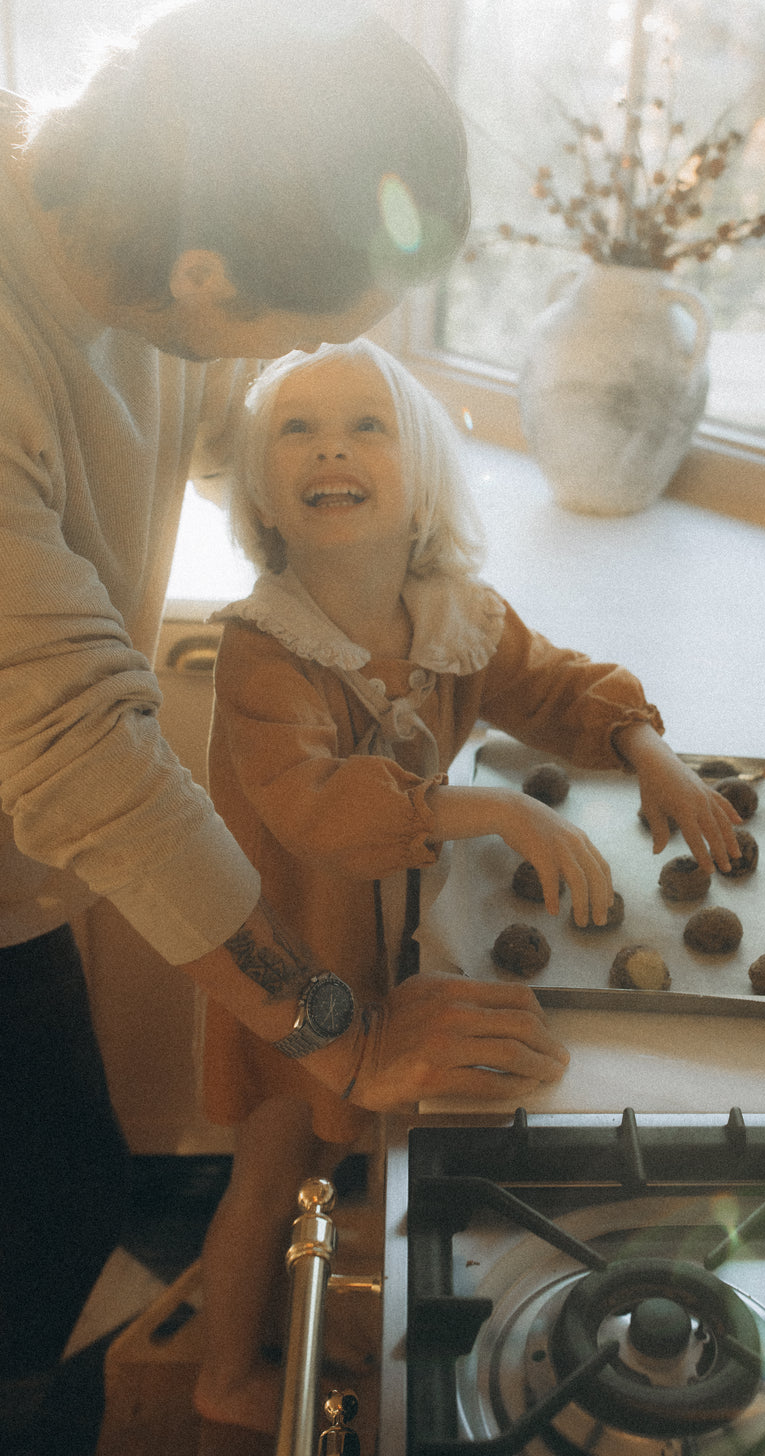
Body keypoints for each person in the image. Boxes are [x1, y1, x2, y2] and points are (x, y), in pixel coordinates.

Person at [0, 3, 565, 1449]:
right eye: (298, 326)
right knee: (28, 1239)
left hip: (13, 870)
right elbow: (88, 758)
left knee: (61, 1198)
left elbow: (230, 429)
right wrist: (343, 1035)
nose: (303, 364)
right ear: (206, 272)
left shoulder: (137, 260)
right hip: (31, 803)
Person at [194, 339, 743, 1430]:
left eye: (366, 424)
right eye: (296, 429)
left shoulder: (451, 617)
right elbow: (314, 804)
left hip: (391, 950)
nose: (330, 447)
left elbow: (552, 685)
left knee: (360, 1149)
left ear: (423, 481)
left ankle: (318, 1300)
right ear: (263, 487)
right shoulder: (264, 652)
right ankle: (223, 1372)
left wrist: (647, 750)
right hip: (291, 970)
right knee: (273, 1168)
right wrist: (491, 807)